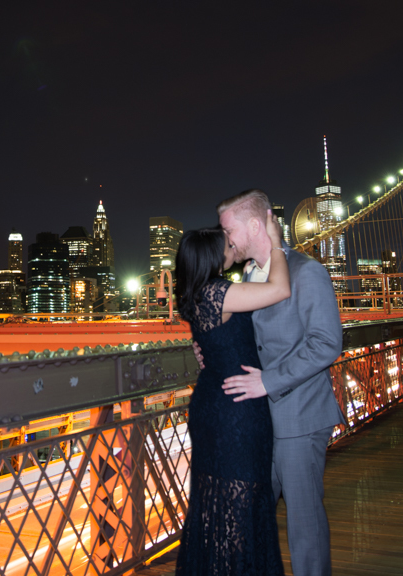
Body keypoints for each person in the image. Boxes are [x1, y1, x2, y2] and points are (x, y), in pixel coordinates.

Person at [217, 189, 344, 576]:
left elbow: (326, 343)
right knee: (253, 518)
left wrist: (268, 382)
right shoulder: (248, 276)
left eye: (229, 230)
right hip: (260, 423)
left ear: (256, 226)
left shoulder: (307, 271)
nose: (226, 239)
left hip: (300, 418)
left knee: (304, 525)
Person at [174, 219, 292, 575]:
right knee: (242, 503)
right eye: (227, 245)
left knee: (216, 500)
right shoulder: (218, 292)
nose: (233, 247)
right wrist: (276, 243)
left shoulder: (197, 295)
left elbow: (216, 340)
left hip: (213, 402)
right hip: (237, 409)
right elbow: (280, 289)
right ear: (213, 256)